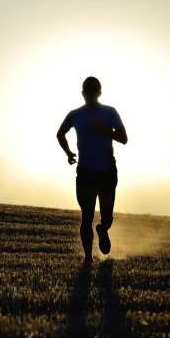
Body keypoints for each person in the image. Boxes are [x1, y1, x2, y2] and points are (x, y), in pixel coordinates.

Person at [56, 77, 127, 262]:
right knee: (86, 217)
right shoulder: (75, 114)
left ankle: (103, 229)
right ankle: (88, 257)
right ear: (83, 94)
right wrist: (68, 153)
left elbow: (124, 138)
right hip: (86, 171)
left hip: (107, 171)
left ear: (99, 93)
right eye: (87, 93)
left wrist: (103, 130)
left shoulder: (110, 112)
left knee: (107, 217)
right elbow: (60, 133)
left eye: (94, 92)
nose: (90, 96)